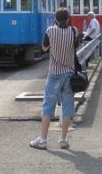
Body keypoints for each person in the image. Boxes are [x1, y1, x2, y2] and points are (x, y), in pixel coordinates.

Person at [30, 8, 79, 150]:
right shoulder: (73, 31)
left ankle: (43, 140)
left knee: (48, 106)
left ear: (55, 19)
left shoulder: (50, 31)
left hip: (54, 74)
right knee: (68, 106)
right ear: (68, 19)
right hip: (69, 74)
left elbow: (44, 48)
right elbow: (75, 47)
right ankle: (63, 139)